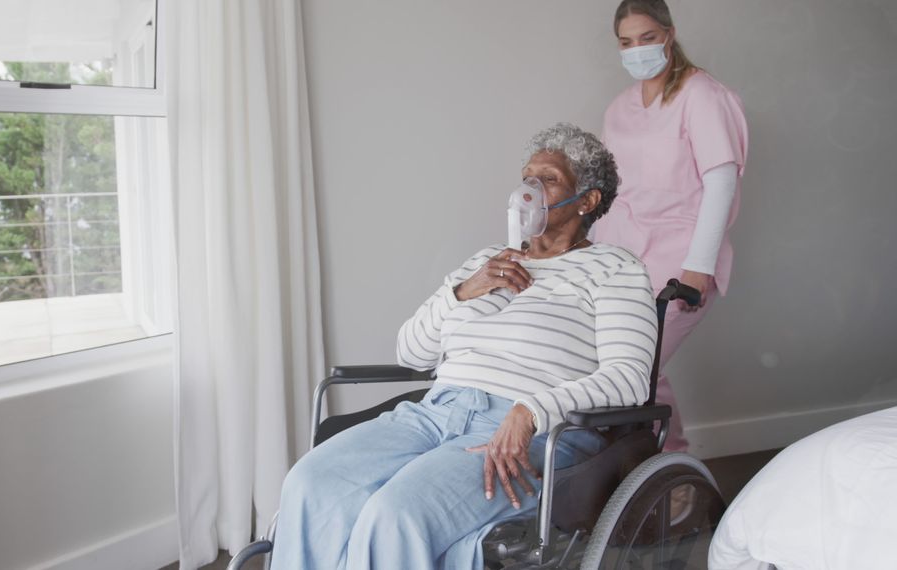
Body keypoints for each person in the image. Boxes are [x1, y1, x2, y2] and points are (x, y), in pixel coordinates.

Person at [269, 123, 659, 569]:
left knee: (396, 514)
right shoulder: (488, 261)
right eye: (526, 177)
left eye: (548, 179)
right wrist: (461, 291)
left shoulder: (614, 268)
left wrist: (532, 410)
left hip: (526, 430)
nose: (529, 189)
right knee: (311, 482)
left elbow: (628, 379)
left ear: (587, 201)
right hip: (435, 412)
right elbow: (411, 353)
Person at [592, 0, 749, 453]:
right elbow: (612, 192)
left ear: (669, 33)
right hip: (621, 259)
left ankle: (674, 474)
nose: (636, 50)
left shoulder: (702, 96)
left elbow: (719, 184)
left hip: (679, 258)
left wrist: (697, 268)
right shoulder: (619, 108)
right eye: (626, 42)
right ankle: (627, 473)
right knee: (610, 367)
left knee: (638, 365)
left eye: (646, 38)